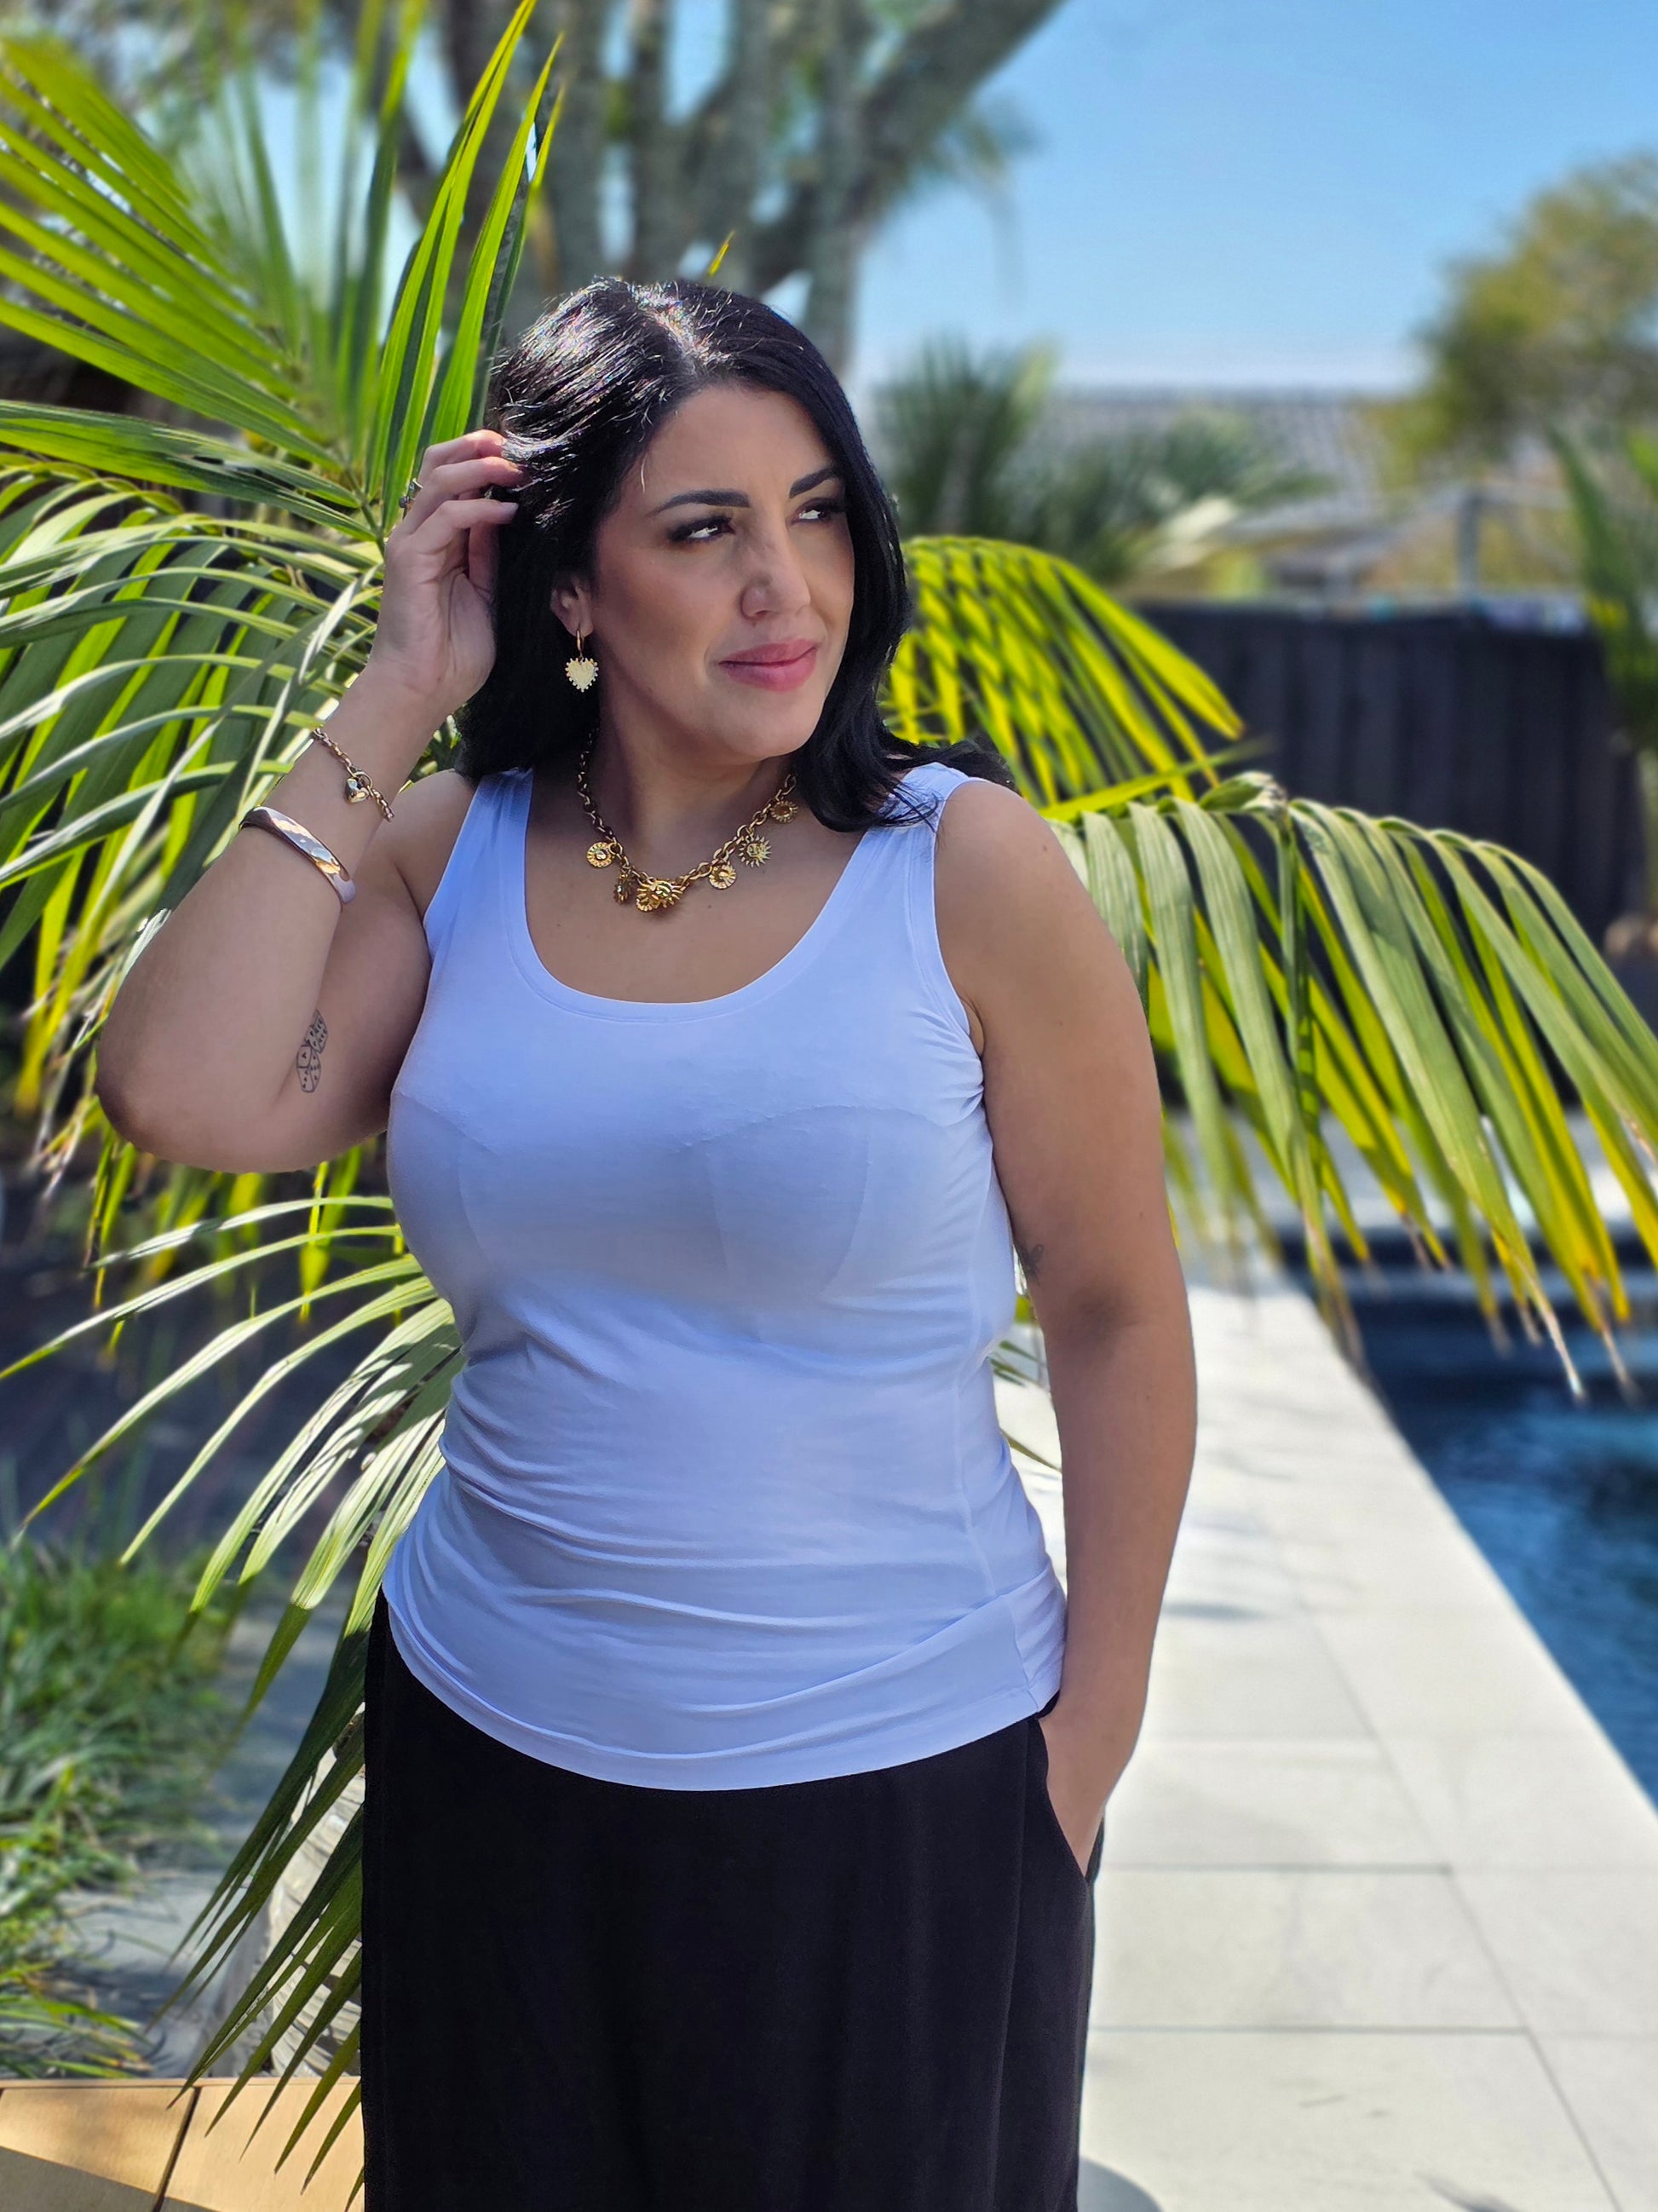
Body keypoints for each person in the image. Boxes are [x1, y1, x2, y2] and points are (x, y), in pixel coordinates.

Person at [94, 278, 1197, 2212]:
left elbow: (1114, 1307)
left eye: (817, 512)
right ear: (569, 590)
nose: (787, 584)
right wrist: (395, 692)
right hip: (493, 1764)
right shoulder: (452, 851)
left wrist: (1085, 1742)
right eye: (703, 529)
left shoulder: (962, 870)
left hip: (898, 1786)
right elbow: (181, 1089)